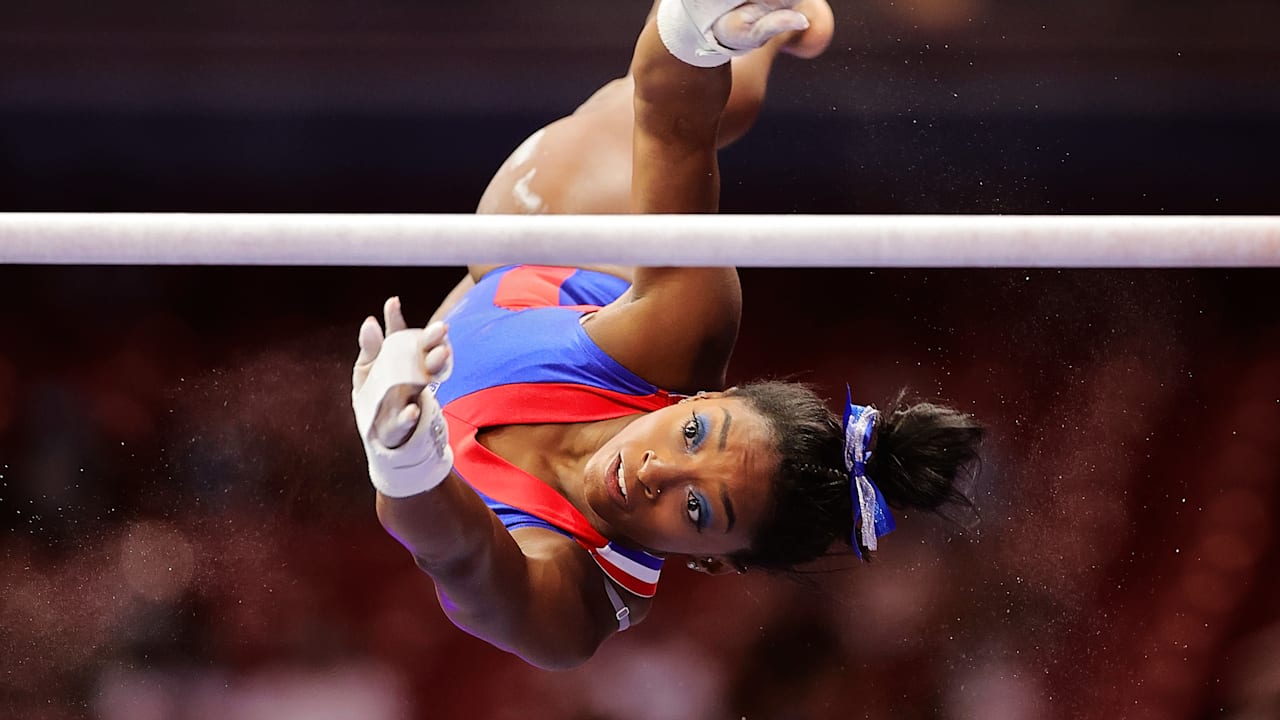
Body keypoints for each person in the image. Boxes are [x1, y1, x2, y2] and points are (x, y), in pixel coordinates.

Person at [350, 0, 983, 670]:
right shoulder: (677, 337)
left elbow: (460, 557)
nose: (656, 471)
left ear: (714, 561)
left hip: (446, 369)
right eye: (694, 433)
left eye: (699, 509)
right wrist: (694, 35)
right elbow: (671, 120)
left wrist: (403, 452)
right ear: (703, 398)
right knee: (644, 115)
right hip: (554, 257)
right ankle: (763, 24)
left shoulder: (574, 604)